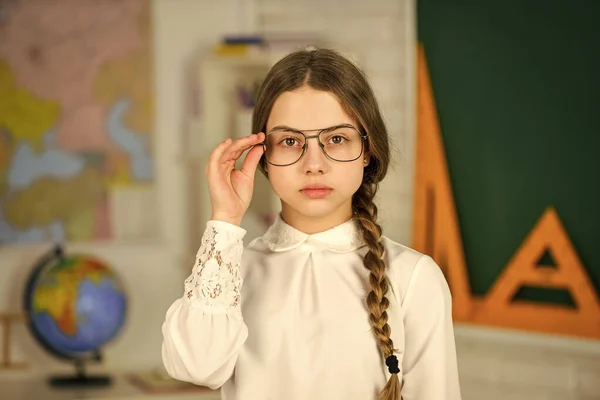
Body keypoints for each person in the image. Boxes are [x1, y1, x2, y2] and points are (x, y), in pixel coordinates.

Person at [161, 47, 461, 400]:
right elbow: (196, 367)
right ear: (263, 155)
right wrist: (225, 220)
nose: (314, 164)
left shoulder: (414, 277)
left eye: (337, 138)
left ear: (367, 149)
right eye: (290, 141)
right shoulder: (229, 272)